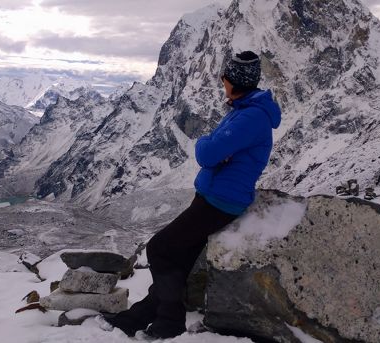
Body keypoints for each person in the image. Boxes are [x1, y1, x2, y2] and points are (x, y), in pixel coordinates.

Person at [100, 50, 282, 339]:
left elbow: (206, 153)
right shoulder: (243, 111)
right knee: (178, 259)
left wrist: (206, 144)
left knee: (159, 248)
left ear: (234, 81)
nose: (222, 84)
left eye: (225, 79)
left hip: (220, 202)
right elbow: (216, 153)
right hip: (216, 197)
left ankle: (170, 321)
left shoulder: (251, 117)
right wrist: (216, 150)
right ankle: (137, 318)